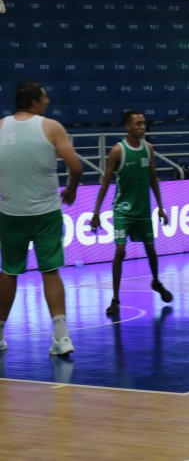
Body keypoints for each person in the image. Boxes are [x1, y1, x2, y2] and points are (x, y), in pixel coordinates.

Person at [0, 81, 83, 356]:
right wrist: (70, 189)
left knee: (9, 271)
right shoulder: (51, 127)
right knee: (50, 271)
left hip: (11, 212)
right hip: (46, 213)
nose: (48, 101)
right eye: (45, 97)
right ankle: (62, 338)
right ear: (34, 101)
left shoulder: (0, 126)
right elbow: (76, 167)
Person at [90, 110, 173, 316]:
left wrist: (161, 207)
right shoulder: (118, 151)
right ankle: (115, 298)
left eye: (144, 123)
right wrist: (96, 212)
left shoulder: (149, 149)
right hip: (122, 210)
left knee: (151, 250)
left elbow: (153, 178)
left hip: (143, 210)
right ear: (128, 126)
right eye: (138, 123)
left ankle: (155, 281)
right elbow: (105, 183)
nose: (142, 127)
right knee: (120, 251)